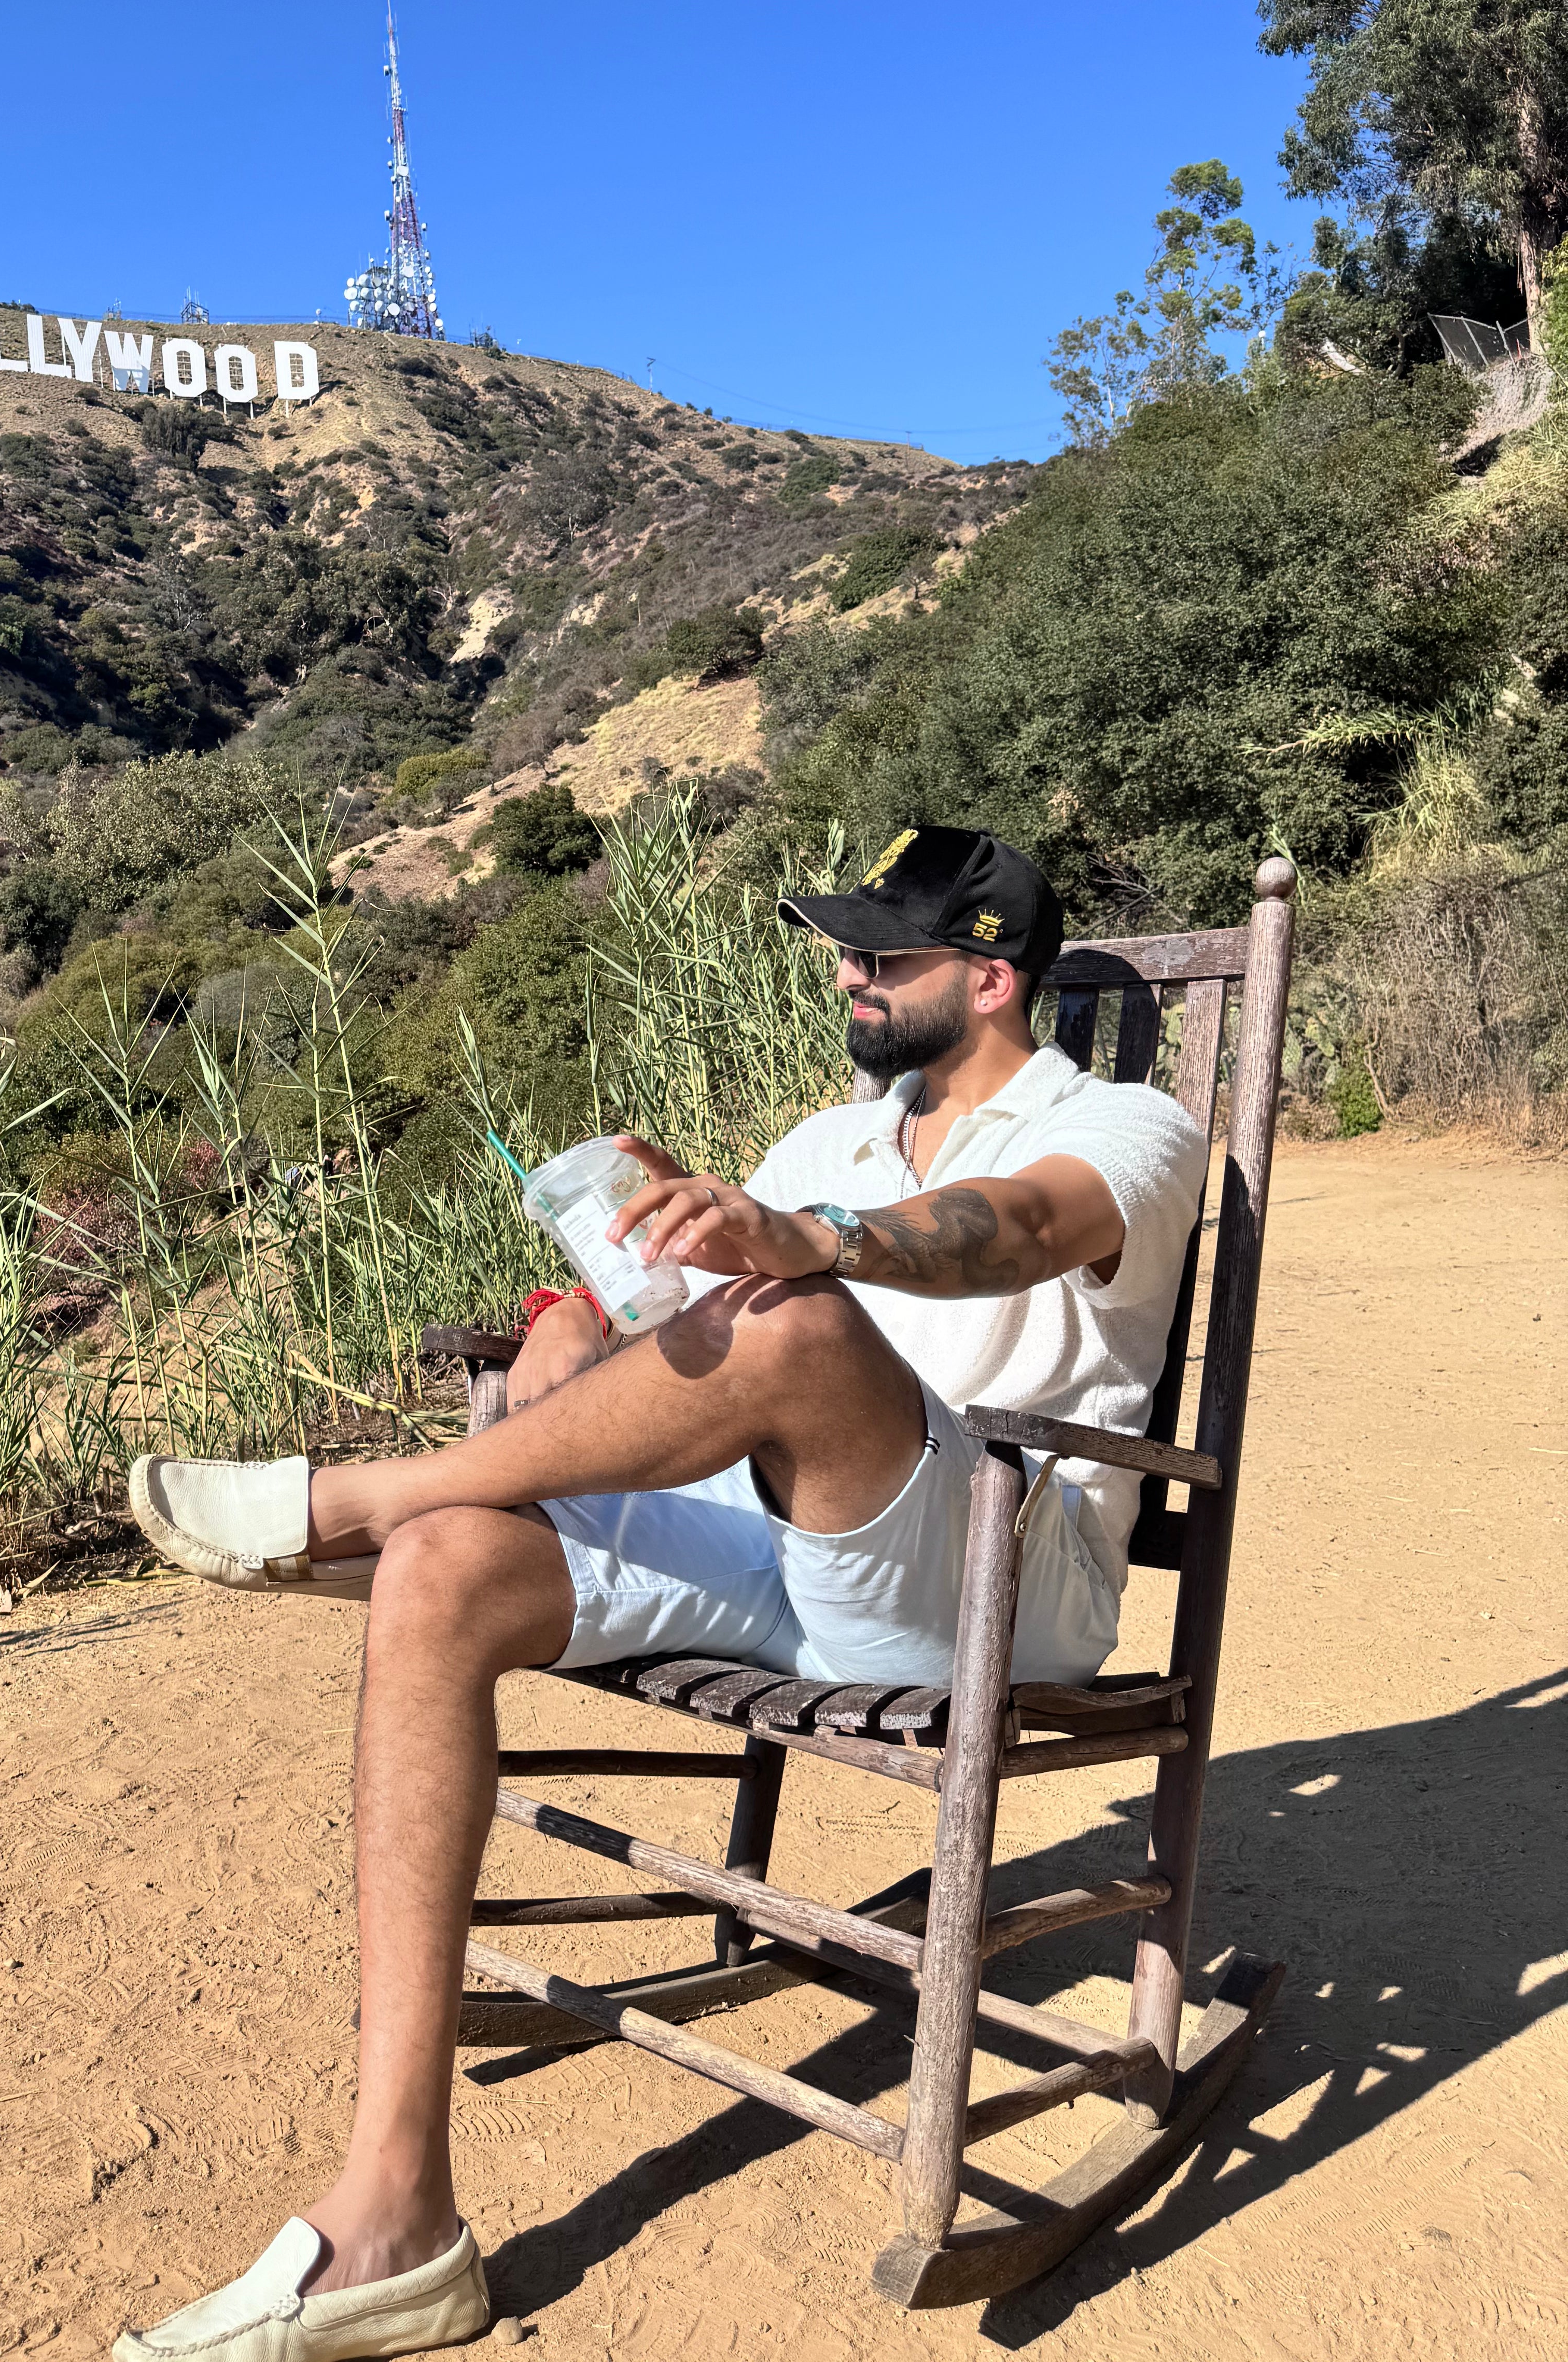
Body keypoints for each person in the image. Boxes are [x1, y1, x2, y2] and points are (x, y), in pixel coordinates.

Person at [111, 826, 1207, 2362]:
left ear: (985, 973)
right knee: (448, 1571)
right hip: (777, 1543)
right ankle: (395, 2218)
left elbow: (1007, 1232)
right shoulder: (825, 1138)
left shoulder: (1126, 1126)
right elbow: (672, 1320)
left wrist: (807, 1248)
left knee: (801, 1330)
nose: (846, 974)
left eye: (879, 956)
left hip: (990, 1584)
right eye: (843, 949)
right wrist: (578, 1304)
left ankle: (364, 1496)